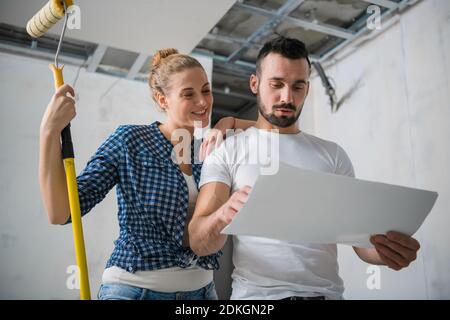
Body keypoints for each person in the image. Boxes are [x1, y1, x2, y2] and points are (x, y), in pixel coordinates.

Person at [188, 36, 421, 300]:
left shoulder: (333, 155)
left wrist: (386, 252)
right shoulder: (228, 151)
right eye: (276, 84)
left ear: (307, 89)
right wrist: (223, 216)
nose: (287, 97)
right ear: (255, 84)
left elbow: (360, 242)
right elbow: (198, 240)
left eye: (298, 86)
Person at [39, 48, 254, 300]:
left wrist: (228, 122)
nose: (203, 102)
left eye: (206, 90)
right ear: (162, 100)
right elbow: (62, 212)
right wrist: (49, 132)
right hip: (134, 291)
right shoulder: (130, 140)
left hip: (202, 293)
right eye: (189, 94)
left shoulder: (211, 149)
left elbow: (272, 130)